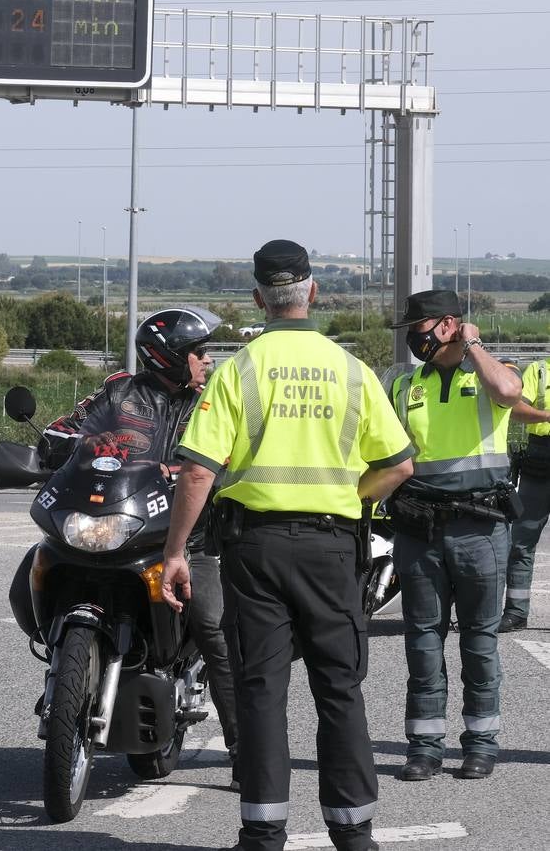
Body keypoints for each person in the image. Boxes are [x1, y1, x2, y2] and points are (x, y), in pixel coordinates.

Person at [160, 239, 414, 851]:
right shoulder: (350, 370)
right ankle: (353, 833)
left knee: (262, 690)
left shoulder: (239, 370)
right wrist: (354, 498)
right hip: (333, 549)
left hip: (257, 551)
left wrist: (173, 553)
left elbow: (198, 471)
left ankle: (263, 832)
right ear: (313, 292)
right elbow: (401, 464)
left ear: (258, 298)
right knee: (339, 689)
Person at [34, 306, 240, 784]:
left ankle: (242, 750)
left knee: (214, 626)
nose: (206, 361)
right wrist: (57, 445)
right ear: (168, 357)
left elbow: (235, 453)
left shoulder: (212, 401)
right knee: (34, 570)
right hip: (120, 523)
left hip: (191, 540)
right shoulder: (118, 392)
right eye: (197, 353)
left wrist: (210, 474)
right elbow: (68, 428)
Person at [387, 289, 522, 781]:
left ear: (447, 325)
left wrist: (472, 346)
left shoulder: (487, 373)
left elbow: (509, 394)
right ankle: (424, 745)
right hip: (420, 530)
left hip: (479, 528)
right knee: (422, 641)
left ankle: (481, 743)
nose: (412, 340)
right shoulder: (405, 385)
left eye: (418, 330)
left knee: (479, 642)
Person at [499, 356, 550, 633]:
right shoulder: (539, 370)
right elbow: (515, 408)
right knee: (521, 542)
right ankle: (517, 613)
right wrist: (547, 416)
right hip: (539, 459)